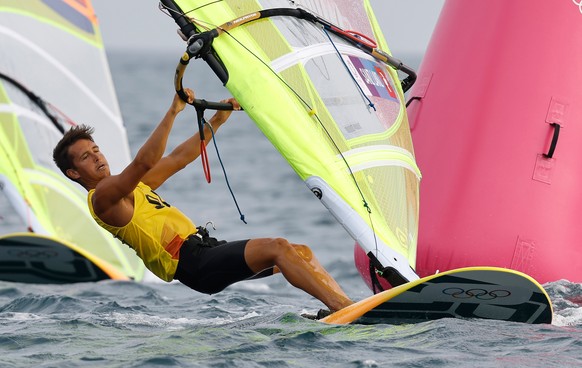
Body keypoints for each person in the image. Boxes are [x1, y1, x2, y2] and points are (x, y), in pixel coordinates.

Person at [52, 88, 353, 315]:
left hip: (206, 250)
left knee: (300, 253)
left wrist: (216, 121)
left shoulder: (133, 188)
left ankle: (342, 309)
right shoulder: (102, 198)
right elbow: (144, 162)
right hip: (192, 263)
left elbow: (178, 158)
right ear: (73, 172)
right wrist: (173, 111)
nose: (97, 157)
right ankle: (344, 308)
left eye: (96, 149)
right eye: (85, 157)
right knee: (279, 247)